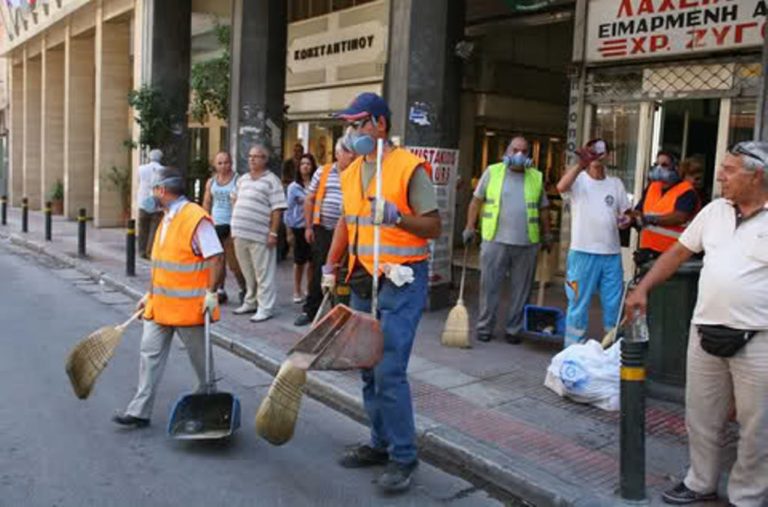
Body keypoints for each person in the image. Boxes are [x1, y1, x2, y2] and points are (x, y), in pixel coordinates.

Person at [625, 141, 768, 507]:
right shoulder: (714, 212)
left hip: (759, 339)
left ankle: (748, 496)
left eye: (730, 169)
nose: (720, 175)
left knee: (757, 427)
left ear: (758, 176)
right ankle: (700, 481)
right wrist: (643, 288)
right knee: (701, 415)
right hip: (704, 331)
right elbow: (677, 252)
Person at [323, 92, 441, 493]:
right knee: (368, 368)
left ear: (380, 124)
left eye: (358, 124)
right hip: (362, 280)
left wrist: (397, 217)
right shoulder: (351, 170)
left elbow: (433, 227)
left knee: (389, 370)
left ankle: (404, 457)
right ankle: (379, 443)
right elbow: (346, 221)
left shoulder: (409, 168)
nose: (352, 132)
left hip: (402, 281)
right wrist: (329, 263)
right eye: (350, 125)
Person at [113, 167, 223, 428]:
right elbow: (165, 263)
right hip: (160, 307)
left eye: (154, 189)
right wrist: (149, 295)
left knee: (202, 364)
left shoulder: (195, 218)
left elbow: (216, 257)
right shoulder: (168, 217)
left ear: (162, 191)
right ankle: (139, 411)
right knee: (149, 354)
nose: (152, 194)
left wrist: (211, 293)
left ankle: (211, 406)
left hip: (190, 308)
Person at [462, 136, 552, 344]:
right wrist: (469, 226)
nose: (519, 155)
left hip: (526, 242)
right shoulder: (492, 172)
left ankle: (514, 329)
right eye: (515, 150)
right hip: (495, 240)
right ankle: (485, 326)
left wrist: (547, 234)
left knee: (522, 290)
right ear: (507, 151)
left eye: (524, 151)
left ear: (529, 155)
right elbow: (476, 201)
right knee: (489, 286)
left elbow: (544, 209)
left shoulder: (536, 177)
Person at [556, 139, 632, 347]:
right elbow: (560, 187)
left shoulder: (615, 184)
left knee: (613, 306)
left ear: (608, 155)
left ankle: (611, 350)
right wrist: (581, 163)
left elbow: (626, 213)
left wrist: (626, 221)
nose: (598, 156)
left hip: (611, 255)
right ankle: (572, 352)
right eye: (593, 151)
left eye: (602, 151)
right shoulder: (578, 180)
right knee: (578, 304)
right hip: (582, 253)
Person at [294, 132, 356, 326]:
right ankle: (311, 310)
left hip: (350, 231)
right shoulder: (324, 171)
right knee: (321, 268)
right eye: (347, 151)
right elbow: (310, 199)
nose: (352, 155)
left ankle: (341, 311)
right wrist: (309, 226)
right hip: (323, 228)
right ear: (337, 154)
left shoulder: (358, 172)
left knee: (345, 272)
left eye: (353, 152)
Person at [230, 144, 287, 322]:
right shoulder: (243, 179)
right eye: (250, 156)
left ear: (265, 159)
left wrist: (273, 233)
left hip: (261, 234)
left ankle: (265, 307)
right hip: (240, 232)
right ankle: (251, 301)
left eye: (257, 156)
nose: (252, 159)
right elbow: (234, 199)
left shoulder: (272, 180)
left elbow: (277, 209)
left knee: (263, 273)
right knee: (248, 271)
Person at [202, 151, 247, 305]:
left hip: (232, 225)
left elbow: (241, 202)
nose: (223, 166)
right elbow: (207, 202)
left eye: (226, 162)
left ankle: (244, 289)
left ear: (231, 163)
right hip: (215, 224)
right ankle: (219, 290)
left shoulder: (238, 180)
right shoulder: (211, 182)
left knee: (235, 263)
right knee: (216, 261)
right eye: (220, 163)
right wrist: (204, 221)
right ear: (215, 165)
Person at [633, 151, 698, 257]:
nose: (659, 169)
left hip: (672, 254)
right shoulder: (652, 187)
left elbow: (680, 217)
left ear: (676, 168)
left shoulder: (686, 191)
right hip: (648, 251)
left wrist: (651, 219)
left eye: (664, 165)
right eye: (656, 164)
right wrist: (630, 218)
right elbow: (639, 210)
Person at [284, 153, 317, 304]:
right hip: (298, 227)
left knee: (312, 261)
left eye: (308, 164)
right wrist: (288, 231)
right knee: (299, 261)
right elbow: (288, 209)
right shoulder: (293, 187)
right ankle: (296, 289)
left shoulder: (316, 185)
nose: (305, 166)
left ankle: (309, 288)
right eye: (303, 163)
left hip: (313, 226)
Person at [136, 149, 164, 259]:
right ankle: (150, 251)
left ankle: (141, 250)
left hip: (143, 201)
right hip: (156, 202)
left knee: (142, 228)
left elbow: (139, 182)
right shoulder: (163, 170)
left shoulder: (141, 169)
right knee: (154, 228)